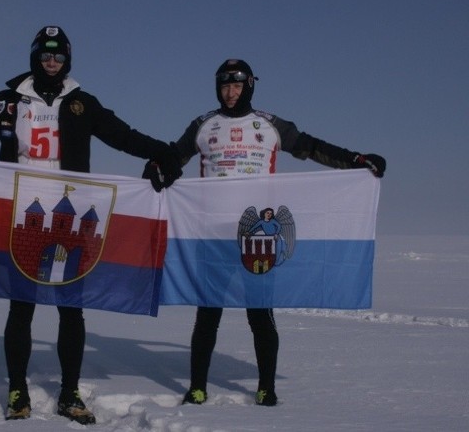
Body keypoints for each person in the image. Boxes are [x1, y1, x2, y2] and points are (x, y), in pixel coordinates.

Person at [0, 25, 181, 425]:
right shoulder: (8, 102)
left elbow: (122, 136)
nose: (52, 62)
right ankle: (17, 390)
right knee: (21, 307)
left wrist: (165, 153)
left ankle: (69, 393)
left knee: (71, 309)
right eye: (46, 55)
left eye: (59, 56)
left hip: (71, 219)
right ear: (35, 57)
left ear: (67, 61)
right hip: (21, 216)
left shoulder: (82, 101)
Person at [143, 59, 386, 407]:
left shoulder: (269, 125)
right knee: (208, 313)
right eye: (224, 86)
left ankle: (265, 387)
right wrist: (156, 165)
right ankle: (197, 387)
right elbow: (174, 156)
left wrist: (356, 160)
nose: (230, 93)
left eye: (237, 86)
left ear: (249, 86)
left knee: (260, 314)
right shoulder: (203, 125)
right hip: (213, 235)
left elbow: (311, 146)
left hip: (257, 238)